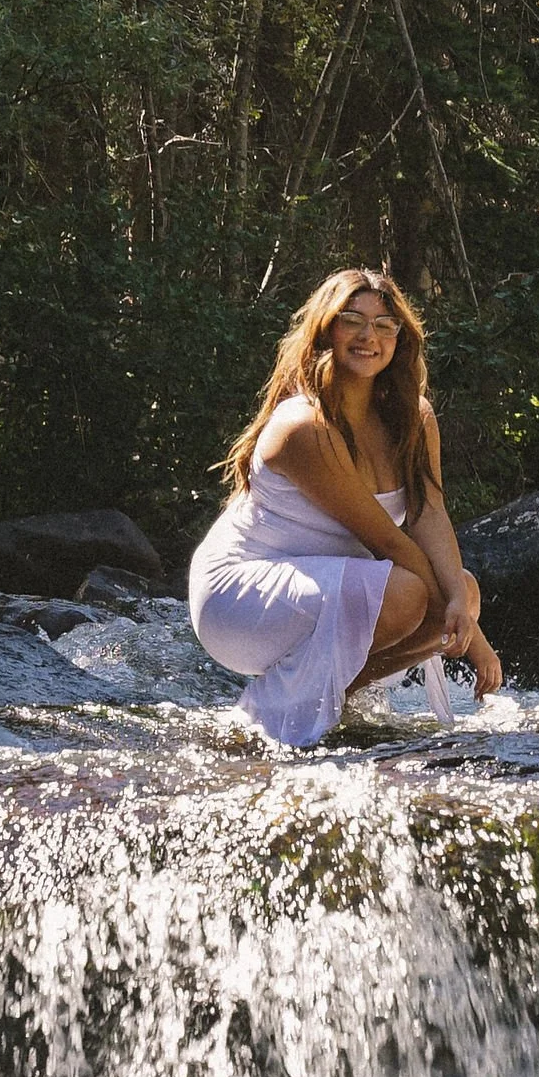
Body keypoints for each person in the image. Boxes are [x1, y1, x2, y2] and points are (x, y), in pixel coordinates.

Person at [188, 267, 504, 748]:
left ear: (400, 337)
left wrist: (461, 606)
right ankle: (258, 718)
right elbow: (388, 541)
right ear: (325, 330)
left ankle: (327, 703)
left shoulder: (413, 417)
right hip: (238, 594)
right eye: (351, 320)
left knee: (463, 588)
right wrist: (475, 641)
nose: (367, 336)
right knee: (410, 594)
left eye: (383, 325)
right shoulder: (305, 427)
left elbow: (429, 514)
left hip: (319, 582)